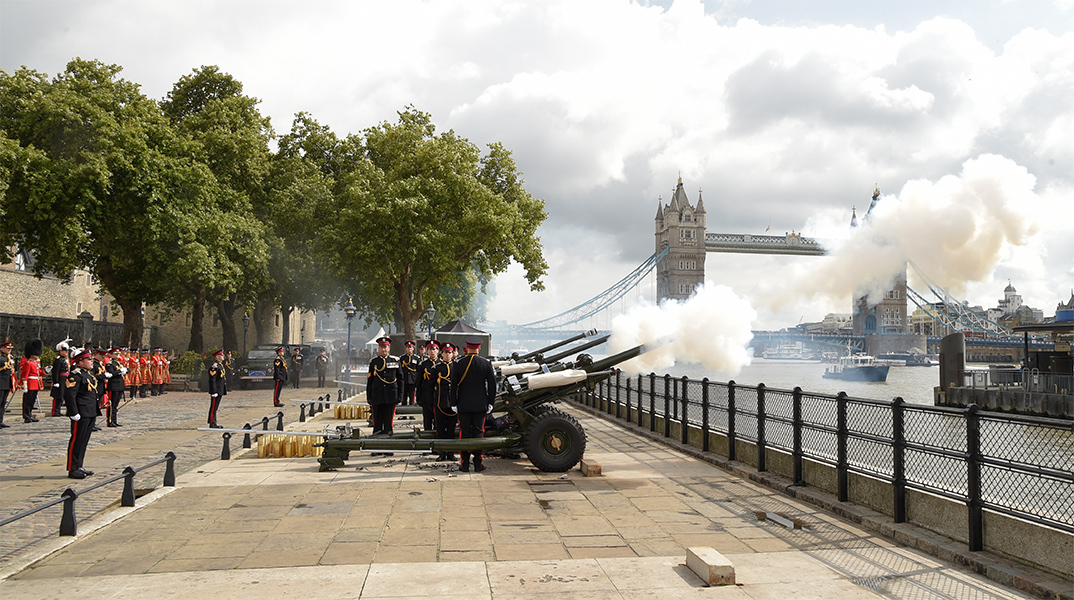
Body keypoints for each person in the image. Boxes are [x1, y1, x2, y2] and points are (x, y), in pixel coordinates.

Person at [450, 336, 496, 473]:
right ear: (479, 348)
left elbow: (453, 386)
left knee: (464, 433)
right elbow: (492, 385)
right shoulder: (485, 363)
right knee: (478, 433)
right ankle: (478, 463)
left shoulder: (458, 363)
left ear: (466, 348)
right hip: (480, 404)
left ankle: (464, 463)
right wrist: (490, 402)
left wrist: (453, 403)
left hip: (463, 404)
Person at [64, 348, 101, 479]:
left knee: (84, 441)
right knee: (77, 440)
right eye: (88, 359)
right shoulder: (75, 375)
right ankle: (72, 468)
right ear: (80, 362)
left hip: (90, 411)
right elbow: (70, 395)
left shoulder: (88, 374)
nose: (91, 361)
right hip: (81, 412)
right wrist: (73, 412)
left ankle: (79, 465)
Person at [366, 336, 401, 438]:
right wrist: (369, 396)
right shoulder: (374, 362)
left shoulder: (395, 360)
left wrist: (400, 396)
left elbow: (400, 379)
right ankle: (376, 444)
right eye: (381, 347)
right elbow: (370, 381)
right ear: (379, 348)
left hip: (391, 395)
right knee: (377, 423)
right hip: (377, 395)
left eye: (385, 347)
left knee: (388, 423)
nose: (383, 349)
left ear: (389, 348)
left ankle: (388, 444)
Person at [433, 342, 457, 462]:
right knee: (441, 429)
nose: (448, 355)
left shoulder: (456, 367)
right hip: (440, 402)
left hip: (453, 403)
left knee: (451, 430)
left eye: (450, 352)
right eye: (446, 352)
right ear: (441, 354)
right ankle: (442, 452)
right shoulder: (437, 368)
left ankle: (451, 453)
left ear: (453, 354)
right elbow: (430, 386)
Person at [18, 339, 44, 423]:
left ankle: (30, 414)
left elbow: (39, 373)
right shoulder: (28, 363)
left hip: (35, 384)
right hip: (29, 384)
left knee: (32, 401)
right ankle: (26, 416)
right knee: (27, 401)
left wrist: (46, 371)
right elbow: (24, 375)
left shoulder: (35, 363)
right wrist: (24, 385)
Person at [417, 341, 439, 433]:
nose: (432, 352)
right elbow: (419, 382)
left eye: (434, 349)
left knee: (438, 421)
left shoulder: (441, 363)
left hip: (438, 396)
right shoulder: (423, 364)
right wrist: (418, 397)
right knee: (427, 420)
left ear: (437, 351)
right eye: (430, 349)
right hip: (426, 396)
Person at [104, 347, 127, 427]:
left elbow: (127, 370)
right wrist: (119, 371)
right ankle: (110, 420)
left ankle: (114, 420)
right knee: (112, 404)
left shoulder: (119, 363)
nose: (117, 356)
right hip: (113, 385)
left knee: (116, 405)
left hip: (120, 385)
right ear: (111, 355)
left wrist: (125, 370)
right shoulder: (110, 364)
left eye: (118, 354)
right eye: (115, 354)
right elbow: (111, 373)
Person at [206, 349, 227, 428]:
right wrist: (213, 391)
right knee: (213, 407)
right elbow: (212, 380)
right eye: (221, 355)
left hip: (219, 389)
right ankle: (212, 423)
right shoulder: (214, 367)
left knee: (215, 407)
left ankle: (213, 421)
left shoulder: (220, 365)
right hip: (216, 390)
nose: (223, 356)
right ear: (217, 357)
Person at [51, 340, 72, 417]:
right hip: (60, 379)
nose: (66, 352)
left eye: (67, 351)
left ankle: (58, 410)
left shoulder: (64, 360)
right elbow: (55, 372)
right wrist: (56, 381)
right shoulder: (58, 360)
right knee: (58, 396)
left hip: (65, 379)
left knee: (62, 395)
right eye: (64, 351)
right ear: (60, 351)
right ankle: (55, 411)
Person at [399, 340, 420, 406]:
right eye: (408, 347)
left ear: (413, 348)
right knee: (404, 396)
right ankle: (404, 411)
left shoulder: (416, 358)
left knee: (412, 396)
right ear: (406, 348)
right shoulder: (402, 358)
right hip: (404, 379)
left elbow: (418, 370)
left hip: (412, 380)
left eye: (410, 347)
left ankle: (411, 411)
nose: (409, 349)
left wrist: (417, 380)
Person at [0, 341, 14, 428]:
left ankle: (0, 421)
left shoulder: (9, 357)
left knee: (3, 403)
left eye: (10, 349)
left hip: (7, 383)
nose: (9, 350)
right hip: (1, 382)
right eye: (8, 348)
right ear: (2, 348)